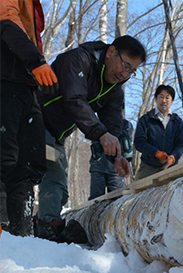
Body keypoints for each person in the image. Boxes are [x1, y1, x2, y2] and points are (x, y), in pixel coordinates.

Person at [36, 35, 144, 239]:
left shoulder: (114, 90)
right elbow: (74, 100)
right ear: (111, 52)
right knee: (38, 173)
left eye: (132, 71)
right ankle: (36, 227)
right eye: (125, 65)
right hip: (33, 117)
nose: (125, 74)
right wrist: (100, 134)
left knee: (59, 185)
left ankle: (44, 227)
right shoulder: (79, 59)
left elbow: (112, 124)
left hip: (56, 134)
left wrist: (117, 156)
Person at [1, 0, 54, 236]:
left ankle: (21, 234)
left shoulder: (34, 5)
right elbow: (6, 21)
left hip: (26, 85)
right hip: (4, 80)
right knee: (4, 157)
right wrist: (36, 61)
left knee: (29, 164)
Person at [133, 85, 183, 180]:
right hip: (148, 167)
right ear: (156, 99)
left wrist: (174, 157)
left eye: (167, 98)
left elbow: (181, 144)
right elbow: (139, 142)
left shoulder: (177, 121)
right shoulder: (146, 119)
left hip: (170, 167)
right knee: (141, 193)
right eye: (161, 97)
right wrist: (155, 152)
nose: (164, 101)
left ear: (172, 101)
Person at [90, 120, 134, 200]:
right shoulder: (97, 124)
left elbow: (127, 147)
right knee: (95, 200)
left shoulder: (127, 125)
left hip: (116, 170)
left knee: (117, 200)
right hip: (98, 167)